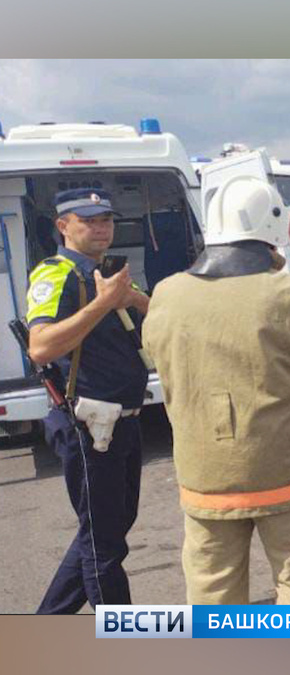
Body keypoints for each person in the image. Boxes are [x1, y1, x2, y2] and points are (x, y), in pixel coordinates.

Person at [143, 176, 290, 604]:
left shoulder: (166, 295)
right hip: (283, 471)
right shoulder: (287, 292)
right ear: (273, 227)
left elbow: (153, 354)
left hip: (204, 475)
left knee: (212, 587)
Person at [27, 188, 151, 613]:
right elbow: (40, 347)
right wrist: (102, 303)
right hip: (88, 425)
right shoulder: (54, 273)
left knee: (106, 532)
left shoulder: (109, 272)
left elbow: (154, 316)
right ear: (63, 226)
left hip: (124, 422)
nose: (102, 227)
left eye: (107, 220)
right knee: (103, 548)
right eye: (89, 220)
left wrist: (130, 297)